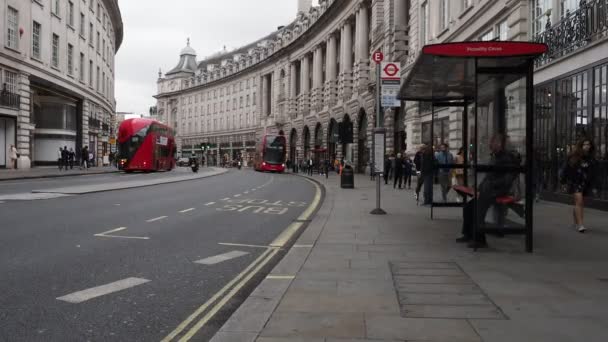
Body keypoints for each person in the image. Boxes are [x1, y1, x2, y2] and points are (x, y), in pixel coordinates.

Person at [456, 134, 520, 248]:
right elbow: (489, 175)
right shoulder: (494, 156)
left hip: (498, 190)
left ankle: (480, 239)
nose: (490, 145)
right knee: (469, 207)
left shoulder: (507, 157)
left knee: (478, 209)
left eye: (492, 142)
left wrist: (492, 185)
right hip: (489, 189)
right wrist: (480, 187)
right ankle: (468, 234)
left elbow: (508, 177)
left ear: (499, 144)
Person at [560, 138, 598, 233]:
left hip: (585, 183)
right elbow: (565, 169)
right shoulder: (574, 156)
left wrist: (594, 186)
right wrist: (563, 182)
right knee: (579, 201)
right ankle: (580, 225)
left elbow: (594, 173)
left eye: (588, 144)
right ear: (580, 146)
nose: (586, 146)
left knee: (579, 203)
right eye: (584, 144)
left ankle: (575, 222)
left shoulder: (591, 159)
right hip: (575, 182)